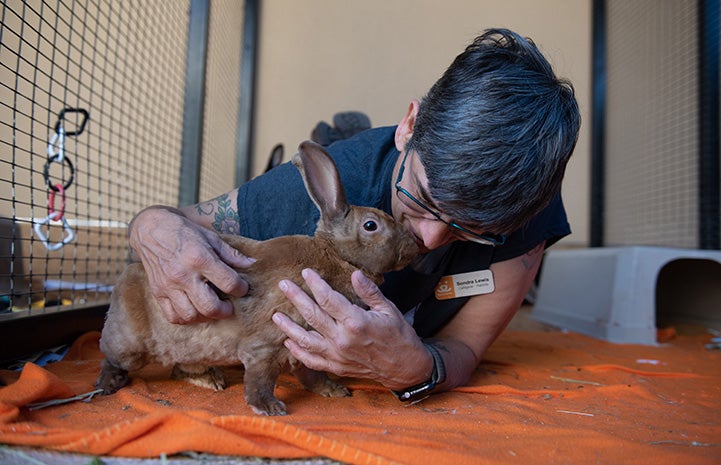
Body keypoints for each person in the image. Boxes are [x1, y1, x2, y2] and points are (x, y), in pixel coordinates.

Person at [128, 28, 580, 402]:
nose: (430, 237)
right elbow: (173, 223)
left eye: (472, 230)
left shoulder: (523, 209)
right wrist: (147, 227)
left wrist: (420, 368)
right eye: (421, 197)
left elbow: (466, 346)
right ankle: (336, 131)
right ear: (409, 125)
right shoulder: (316, 188)